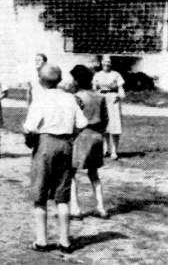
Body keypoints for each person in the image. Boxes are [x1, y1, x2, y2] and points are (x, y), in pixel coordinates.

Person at [23, 64, 87, 253]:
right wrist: (71, 136)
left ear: (41, 80)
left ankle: (42, 241)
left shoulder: (40, 99)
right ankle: (65, 241)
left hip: (45, 144)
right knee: (62, 195)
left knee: (40, 194)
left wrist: (29, 140)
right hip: (66, 145)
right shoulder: (70, 98)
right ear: (59, 80)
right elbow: (82, 123)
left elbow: (29, 128)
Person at [69, 65, 109, 219]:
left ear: (77, 81)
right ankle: (101, 207)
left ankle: (75, 208)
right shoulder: (100, 97)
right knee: (94, 173)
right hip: (97, 136)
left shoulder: (77, 98)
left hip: (81, 136)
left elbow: (74, 120)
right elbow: (106, 119)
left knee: (71, 172)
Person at [92, 55, 125, 160]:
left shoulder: (116, 74)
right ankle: (105, 149)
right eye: (105, 61)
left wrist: (120, 96)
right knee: (103, 126)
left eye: (109, 62)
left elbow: (121, 88)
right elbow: (94, 88)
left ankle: (114, 151)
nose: (107, 64)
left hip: (113, 100)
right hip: (102, 100)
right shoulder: (97, 75)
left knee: (114, 125)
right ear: (102, 62)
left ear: (111, 63)